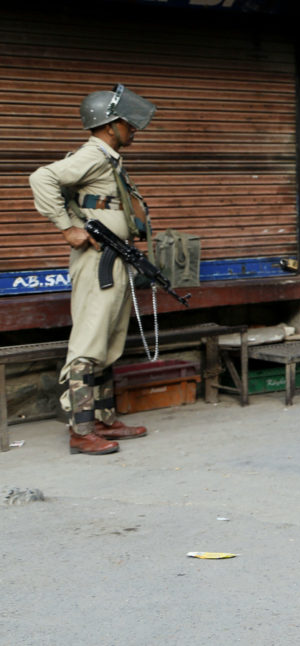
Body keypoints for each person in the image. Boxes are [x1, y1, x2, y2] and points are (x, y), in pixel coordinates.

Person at [29, 84, 157, 456]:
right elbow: (42, 178)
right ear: (108, 125)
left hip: (115, 258)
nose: (133, 129)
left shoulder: (111, 158)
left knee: (109, 339)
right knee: (88, 343)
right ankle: (81, 431)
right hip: (97, 263)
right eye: (127, 124)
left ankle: (103, 418)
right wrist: (67, 227)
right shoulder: (94, 155)